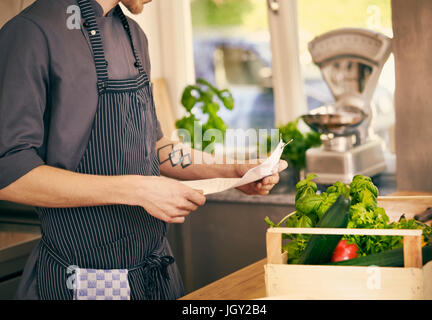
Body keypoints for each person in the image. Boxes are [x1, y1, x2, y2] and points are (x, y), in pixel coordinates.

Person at [0, 0, 287, 300]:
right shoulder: (31, 34)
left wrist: (233, 171)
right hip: (91, 281)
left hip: (156, 272)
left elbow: (155, 147)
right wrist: (137, 190)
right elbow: (9, 174)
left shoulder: (134, 35)